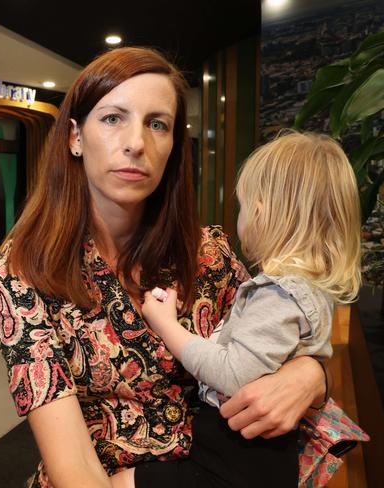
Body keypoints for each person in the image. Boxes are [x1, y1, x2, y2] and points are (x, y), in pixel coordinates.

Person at [0, 48, 327, 488]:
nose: (135, 143)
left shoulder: (208, 252)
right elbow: (73, 468)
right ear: (74, 137)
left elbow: (281, 335)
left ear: (172, 145)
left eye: (157, 124)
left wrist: (312, 375)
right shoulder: (25, 270)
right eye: (113, 118)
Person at [110, 131, 362, 487]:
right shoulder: (309, 291)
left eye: (242, 205)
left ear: (259, 212)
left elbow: (232, 373)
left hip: (232, 458)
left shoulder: (276, 294)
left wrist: (167, 324)